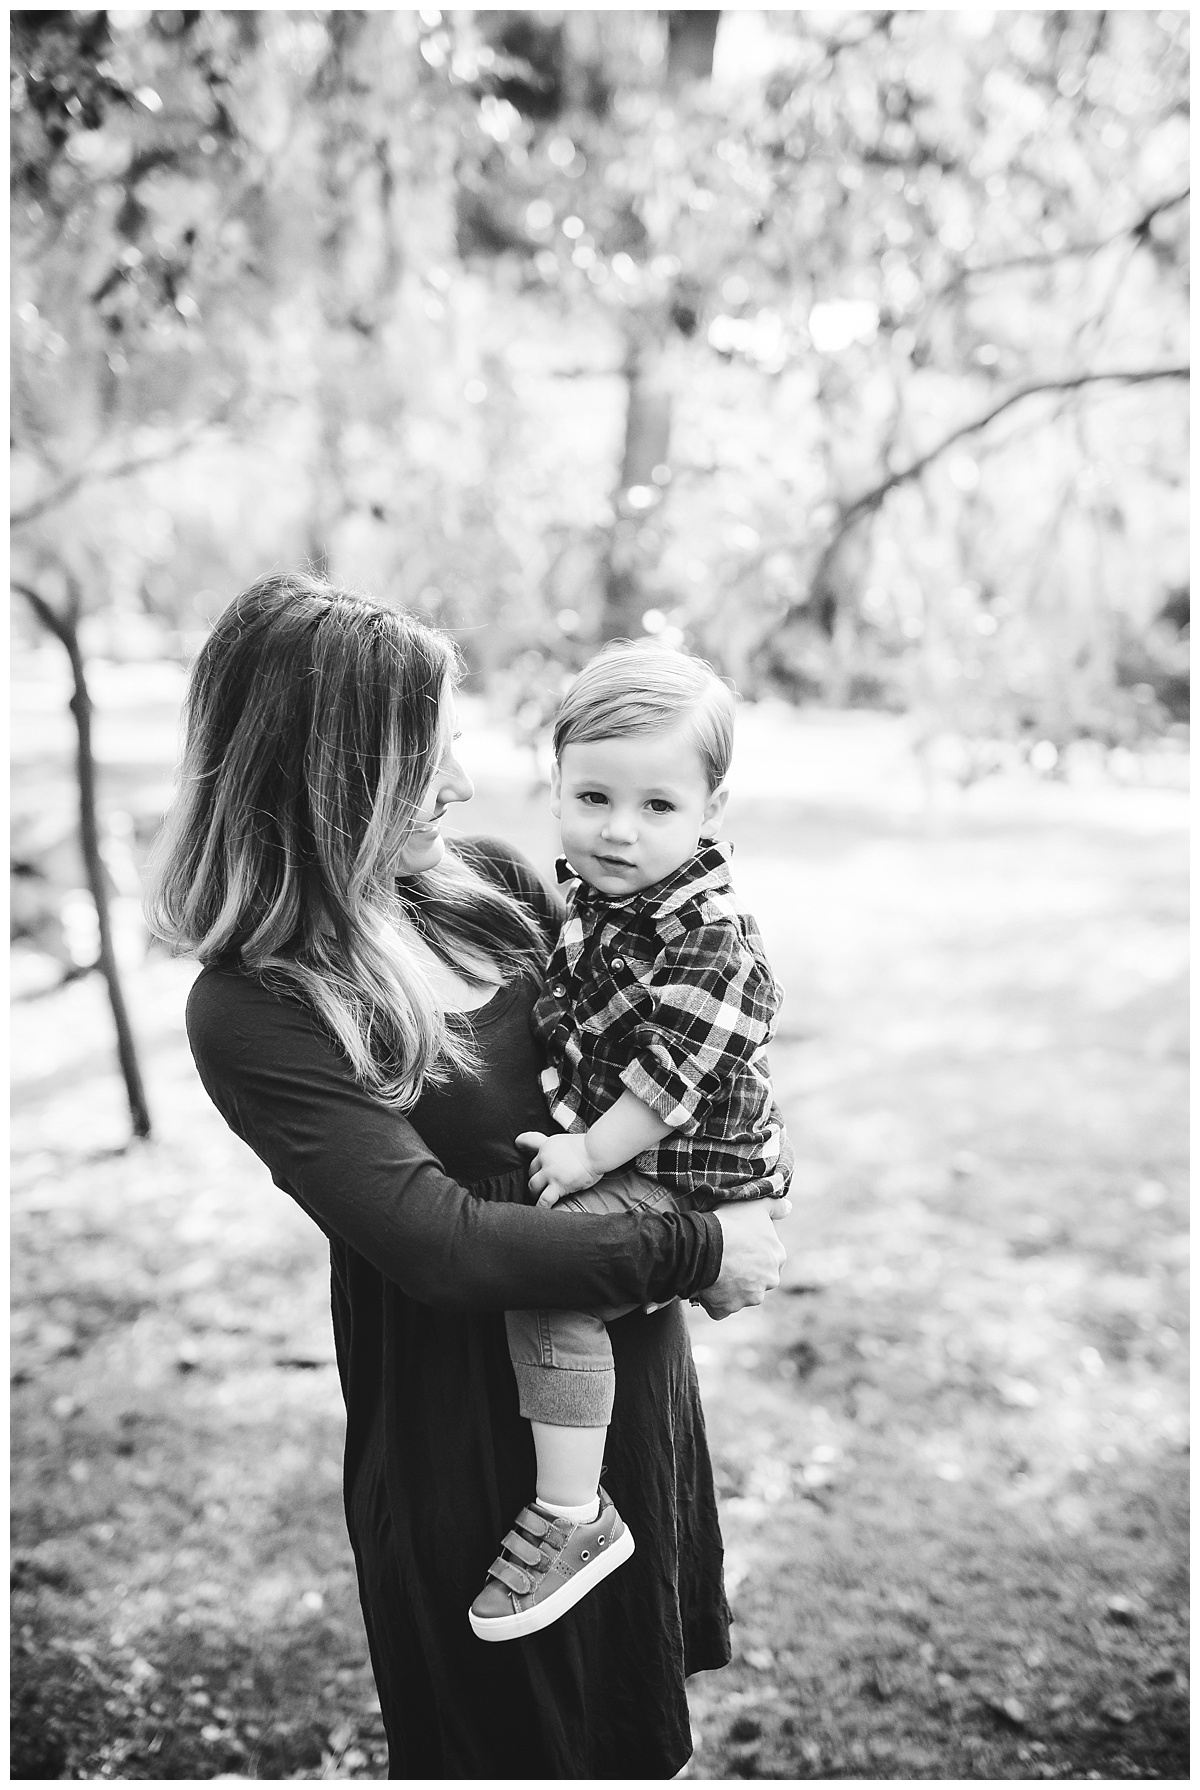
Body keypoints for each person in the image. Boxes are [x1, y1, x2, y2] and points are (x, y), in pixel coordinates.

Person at [144, 572, 790, 1779]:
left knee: (634, 1740)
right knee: (513, 1745)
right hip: (472, 1440)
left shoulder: (491, 888)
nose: (461, 783)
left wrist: (744, 1173)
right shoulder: (259, 1005)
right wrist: (705, 1246)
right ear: (331, 773)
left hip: (625, 1385)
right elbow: (441, 1243)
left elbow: (680, 1019)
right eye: (423, 760)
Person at [469, 645, 790, 1644]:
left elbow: (667, 1078)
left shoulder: (708, 935)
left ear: (711, 808)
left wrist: (586, 1153)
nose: (618, 828)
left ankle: (573, 1513)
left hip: (678, 1175)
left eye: (658, 806)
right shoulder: (605, 900)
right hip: (651, 1162)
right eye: (593, 794)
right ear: (555, 783)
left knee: (556, 1294)